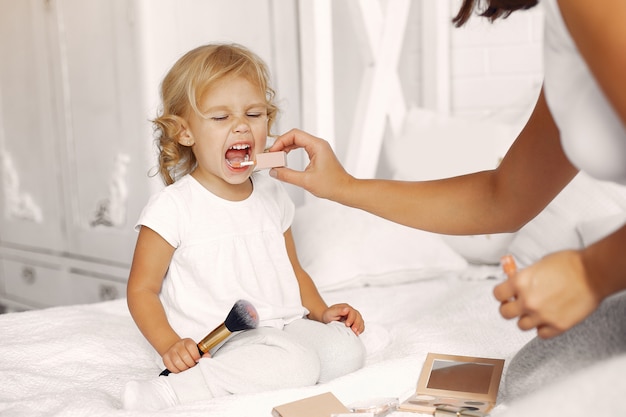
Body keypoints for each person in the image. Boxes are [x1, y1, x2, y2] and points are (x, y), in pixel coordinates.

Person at [269, 0, 626, 401]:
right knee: (526, 379)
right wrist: (343, 186)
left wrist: (590, 273)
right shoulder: (568, 26)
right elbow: (502, 198)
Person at [122, 43, 365, 411]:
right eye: (220, 118)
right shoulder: (173, 207)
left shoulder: (272, 194)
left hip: (284, 325)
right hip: (225, 339)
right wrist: (170, 344)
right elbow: (142, 289)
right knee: (295, 365)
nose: (241, 125)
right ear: (185, 132)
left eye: (253, 113)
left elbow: (294, 271)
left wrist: (321, 312)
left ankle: (276, 366)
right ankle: (173, 391)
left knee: (345, 349)